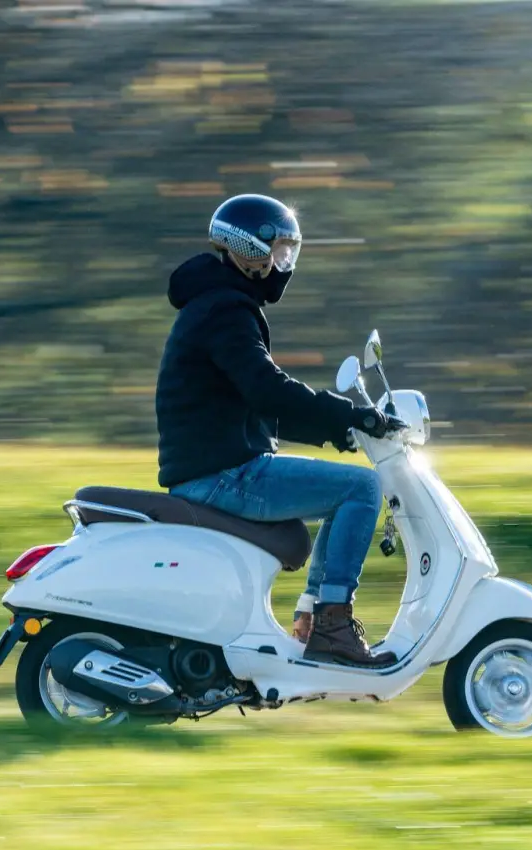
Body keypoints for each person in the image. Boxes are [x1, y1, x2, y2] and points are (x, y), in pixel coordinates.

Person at [155, 193, 401, 667]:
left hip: (218, 466)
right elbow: (268, 389)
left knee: (342, 489)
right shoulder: (225, 310)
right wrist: (347, 413)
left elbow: (258, 406)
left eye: (289, 252)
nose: (283, 263)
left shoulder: (217, 304)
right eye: (278, 251)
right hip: (222, 474)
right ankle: (333, 624)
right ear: (248, 252)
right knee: (362, 488)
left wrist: (339, 432)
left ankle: (312, 618)